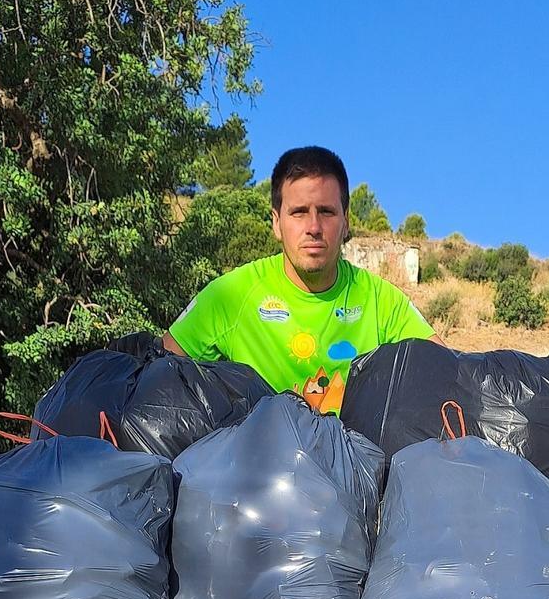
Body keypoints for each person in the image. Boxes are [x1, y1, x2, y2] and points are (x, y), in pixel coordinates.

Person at [164, 145, 444, 415]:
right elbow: (160, 374)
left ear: (345, 222)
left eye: (326, 212)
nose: (313, 227)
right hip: (259, 461)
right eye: (299, 212)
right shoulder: (229, 296)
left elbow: (448, 374)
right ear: (276, 223)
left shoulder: (381, 301)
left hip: (357, 462)